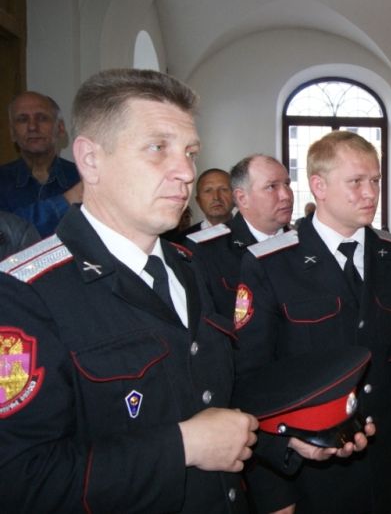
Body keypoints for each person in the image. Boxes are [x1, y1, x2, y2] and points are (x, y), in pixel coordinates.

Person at [0, 68, 260, 512]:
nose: (186, 172)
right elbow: (21, 481)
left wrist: (291, 432)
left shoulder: (190, 264)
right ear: (90, 160)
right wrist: (182, 446)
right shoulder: (25, 295)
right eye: (158, 148)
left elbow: (212, 396)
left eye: (190, 152)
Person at [236, 131, 391, 513]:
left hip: (387, 455)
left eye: (376, 180)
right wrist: (273, 491)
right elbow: (252, 379)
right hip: (312, 465)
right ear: (319, 186)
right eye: (356, 182)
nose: (371, 193)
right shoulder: (271, 264)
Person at [185, 154, 294, 328]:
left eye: (287, 184)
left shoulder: (308, 245)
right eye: (271, 186)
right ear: (242, 198)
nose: (286, 195)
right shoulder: (207, 251)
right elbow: (206, 322)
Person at [1, 91, 83, 236]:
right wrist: (66, 201)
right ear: (12, 133)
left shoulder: (83, 178)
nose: (32, 127)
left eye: (42, 118)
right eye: (22, 119)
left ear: (60, 128)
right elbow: (6, 236)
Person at [183, 168, 234, 235]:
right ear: (198, 201)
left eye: (223, 189)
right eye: (208, 191)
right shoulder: (184, 239)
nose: (216, 197)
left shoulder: (247, 232)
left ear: (235, 196)